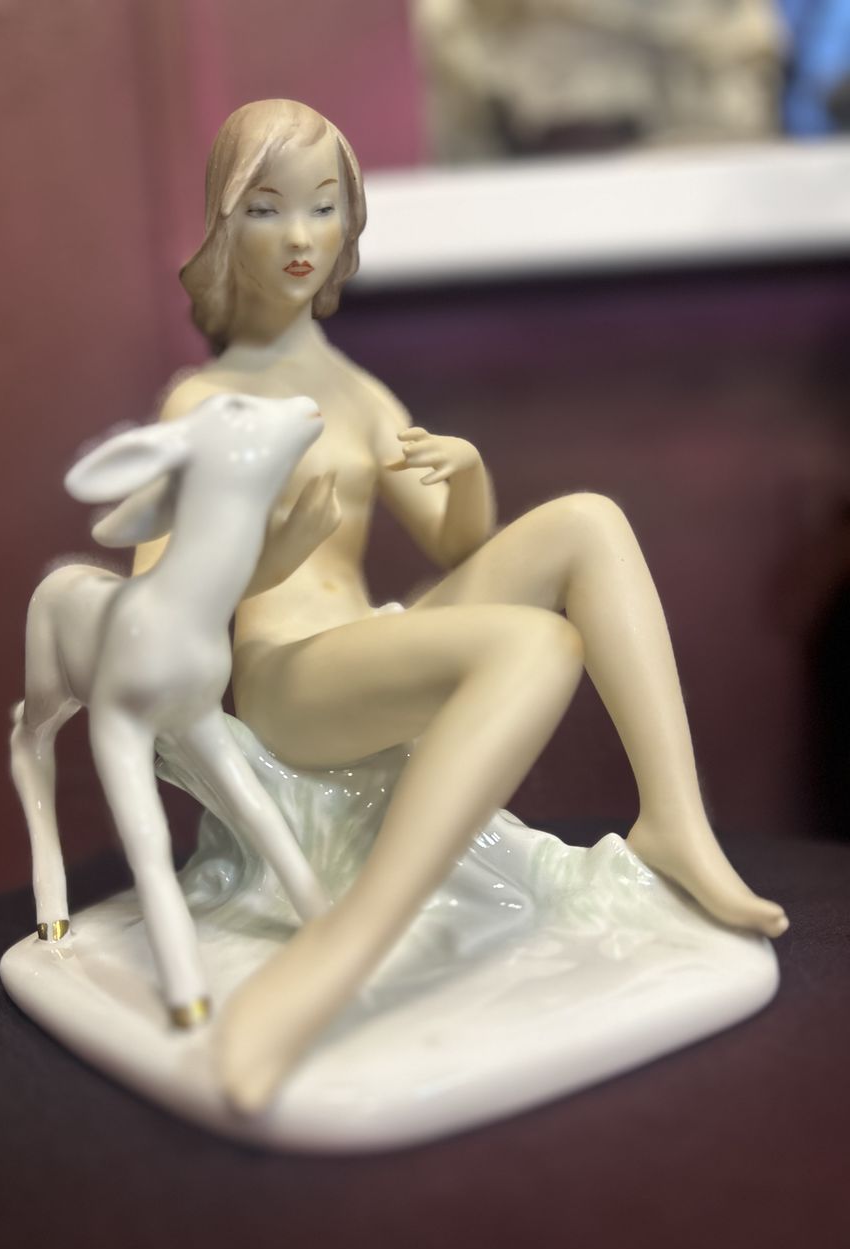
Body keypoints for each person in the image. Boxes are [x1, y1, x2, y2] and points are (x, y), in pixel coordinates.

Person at [133, 99, 788, 1112]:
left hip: (370, 642)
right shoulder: (199, 402)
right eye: (266, 209)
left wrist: (470, 475)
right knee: (535, 649)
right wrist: (266, 562)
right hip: (288, 681)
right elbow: (148, 613)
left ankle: (675, 822)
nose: (300, 234)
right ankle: (333, 960)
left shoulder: (359, 394)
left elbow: (455, 548)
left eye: (322, 207)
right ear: (225, 223)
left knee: (588, 521)